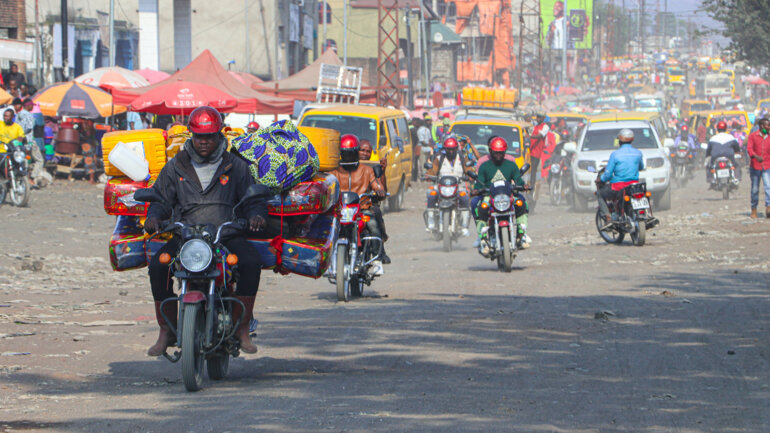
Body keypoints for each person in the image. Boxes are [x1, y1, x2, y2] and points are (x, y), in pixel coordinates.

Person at [144, 106, 267, 356]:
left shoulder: (236, 166)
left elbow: (253, 198)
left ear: (219, 135)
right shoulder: (175, 166)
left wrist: (256, 215)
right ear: (191, 135)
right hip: (186, 237)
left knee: (251, 262)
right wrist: (154, 217)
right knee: (159, 265)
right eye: (199, 136)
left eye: (209, 136)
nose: (203, 142)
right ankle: (166, 329)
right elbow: (160, 199)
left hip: (226, 235)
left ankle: (242, 328)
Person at [328, 134, 387, 275]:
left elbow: (376, 184)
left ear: (355, 153)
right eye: (345, 154)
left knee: (372, 223)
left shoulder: (367, 170)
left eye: (350, 154)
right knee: (323, 225)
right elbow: (327, 185)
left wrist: (379, 190)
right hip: (339, 210)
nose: (347, 157)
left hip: (361, 209)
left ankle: (377, 260)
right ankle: (323, 258)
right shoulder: (334, 170)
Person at [471, 137, 530, 253]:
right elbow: (479, 182)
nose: (498, 155)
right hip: (490, 196)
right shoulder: (484, 166)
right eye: (496, 152)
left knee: (521, 203)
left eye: (501, 152)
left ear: (505, 152)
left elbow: (518, 179)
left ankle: (521, 234)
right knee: (480, 206)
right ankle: (482, 237)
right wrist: (476, 190)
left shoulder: (511, 165)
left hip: (508, 196)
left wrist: (523, 185)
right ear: (491, 151)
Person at [425, 136, 473, 237]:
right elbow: (432, 171)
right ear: (445, 149)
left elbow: (468, 169)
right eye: (448, 149)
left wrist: (471, 175)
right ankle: (431, 222)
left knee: (465, 197)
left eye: (453, 149)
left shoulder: (462, 158)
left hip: (458, 186)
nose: (451, 151)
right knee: (431, 194)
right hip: (441, 186)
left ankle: (464, 226)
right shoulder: (439, 159)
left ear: (456, 148)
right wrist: (429, 175)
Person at [596, 129, 644, 227]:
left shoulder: (615, 154)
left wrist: (601, 179)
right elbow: (641, 167)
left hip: (618, 187)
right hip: (634, 187)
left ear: (619, 141)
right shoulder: (638, 153)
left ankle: (608, 218)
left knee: (600, 193)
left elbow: (608, 174)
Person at [359, 139, 391, 264]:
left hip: (366, 205)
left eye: (368, 151)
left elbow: (381, 188)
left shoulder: (370, 170)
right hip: (349, 206)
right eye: (362, 150)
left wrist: (382, 171)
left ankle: (379, 251)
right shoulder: (347, 167)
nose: (365, 154)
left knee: (375, 215)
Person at [746, 117, 770, 218]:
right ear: (761, 126)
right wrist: (755, 156)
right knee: (755, 189)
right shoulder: (753, 136)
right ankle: (754, 209)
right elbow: (749, 149)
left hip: (767, 165)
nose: (768, 127)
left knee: (768, 187)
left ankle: (768, 206)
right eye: (767, 125)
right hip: (755, 166)